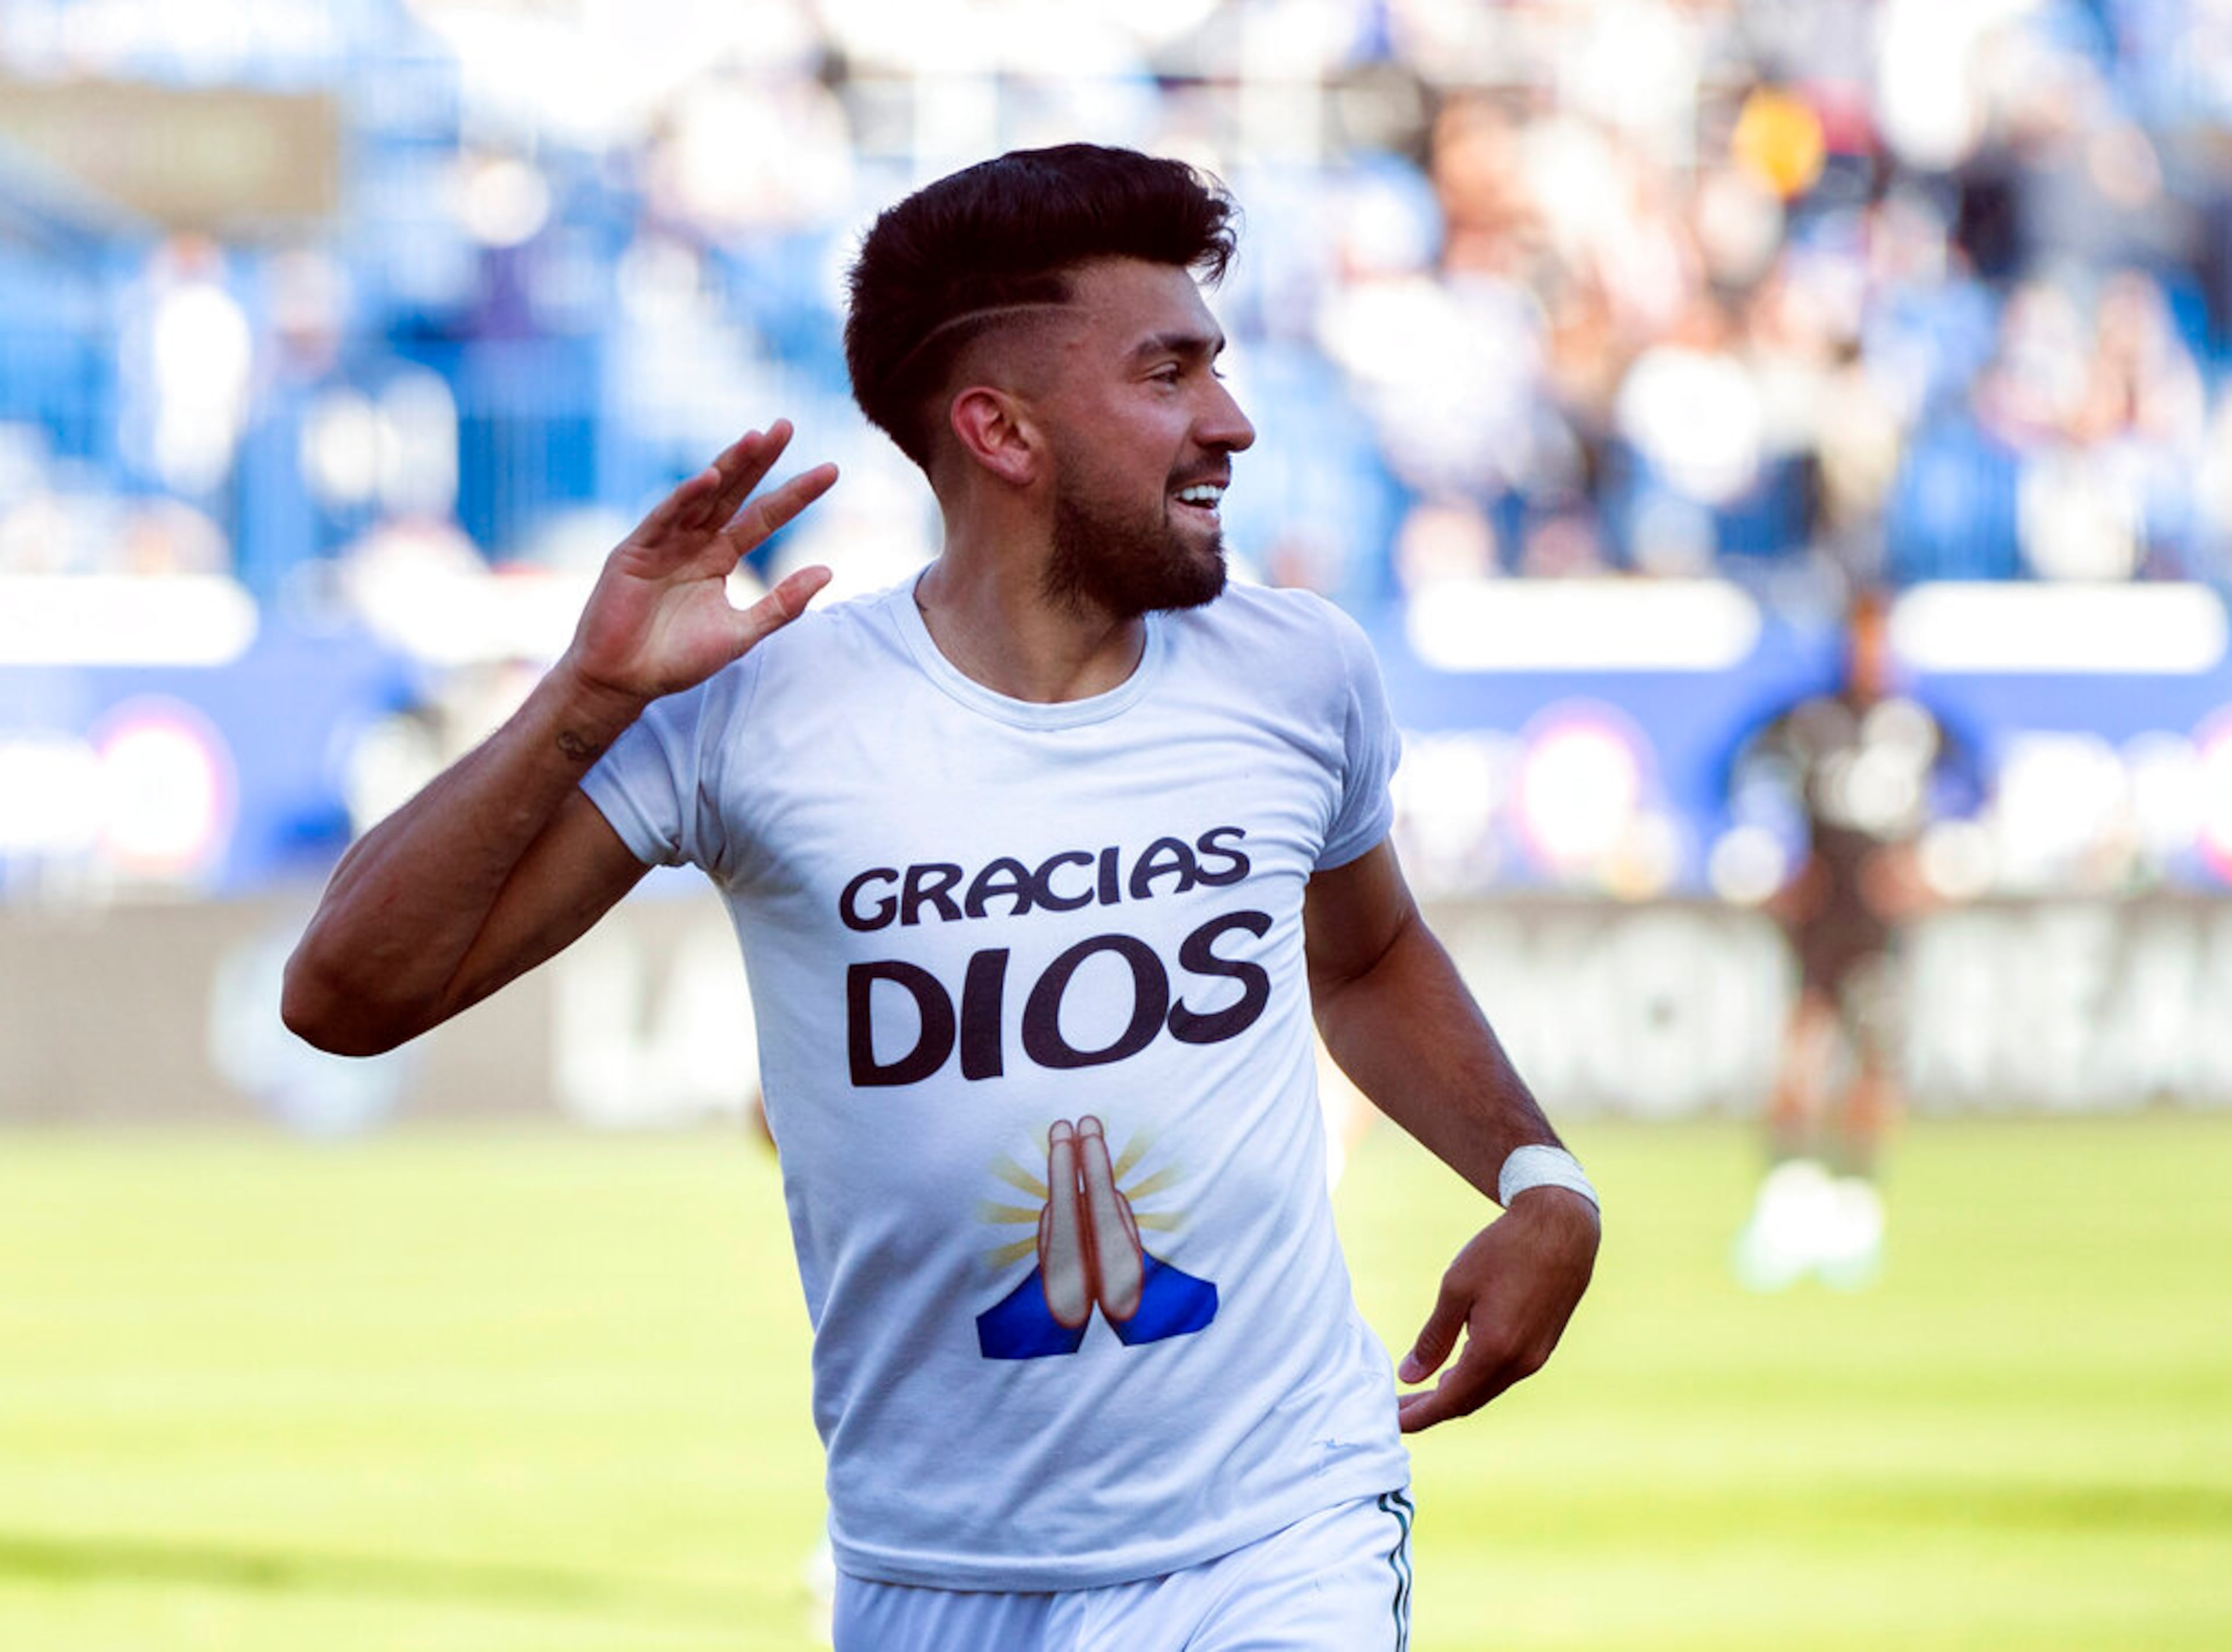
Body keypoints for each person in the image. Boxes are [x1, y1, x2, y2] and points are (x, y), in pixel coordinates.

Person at [284, 143, 1599, 1650]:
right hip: (924, 1580)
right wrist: (584, 696)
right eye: (1168, 375)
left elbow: (1363, 959)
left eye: (1217, 370)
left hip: (1277, 1536)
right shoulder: (758, 714)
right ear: (1001, 429)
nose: (1229, 422)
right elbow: (345, 994)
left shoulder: (1301, 672)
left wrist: (1537, 1175)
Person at [1729, 586, 1976, 1291]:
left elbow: (1975, 797)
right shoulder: (1811, 722)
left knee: (1875, 1062)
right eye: (1862, 640)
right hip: (1822, 912)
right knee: (1801, 1055)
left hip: (1880, 919)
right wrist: (1768, 862)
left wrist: (1936, 870)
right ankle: (1788, 1209)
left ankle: (1855, 1213)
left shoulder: (1920, 727)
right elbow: (1746, 783)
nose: (1872, 654)